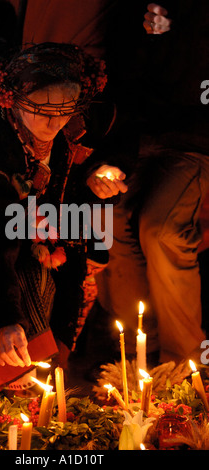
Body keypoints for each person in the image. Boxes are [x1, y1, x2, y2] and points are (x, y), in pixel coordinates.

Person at [0, 42, 129, 384]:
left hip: (39, 246)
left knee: (78, 254)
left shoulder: (70, 135)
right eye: (40, 108)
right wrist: (2, 318)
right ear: (13, 99)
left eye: (63, 109)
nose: (52, 120)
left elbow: (86, 191)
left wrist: (99, 180)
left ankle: (33, 373)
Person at [96, 0, 209, 364]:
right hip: (132, 140)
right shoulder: (132, 7)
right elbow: (119, 78)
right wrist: (146, 39)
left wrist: (174, 37)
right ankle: (135, 362)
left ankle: (182, 368)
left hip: (193, 142)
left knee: (162, 230)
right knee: (107, 219)